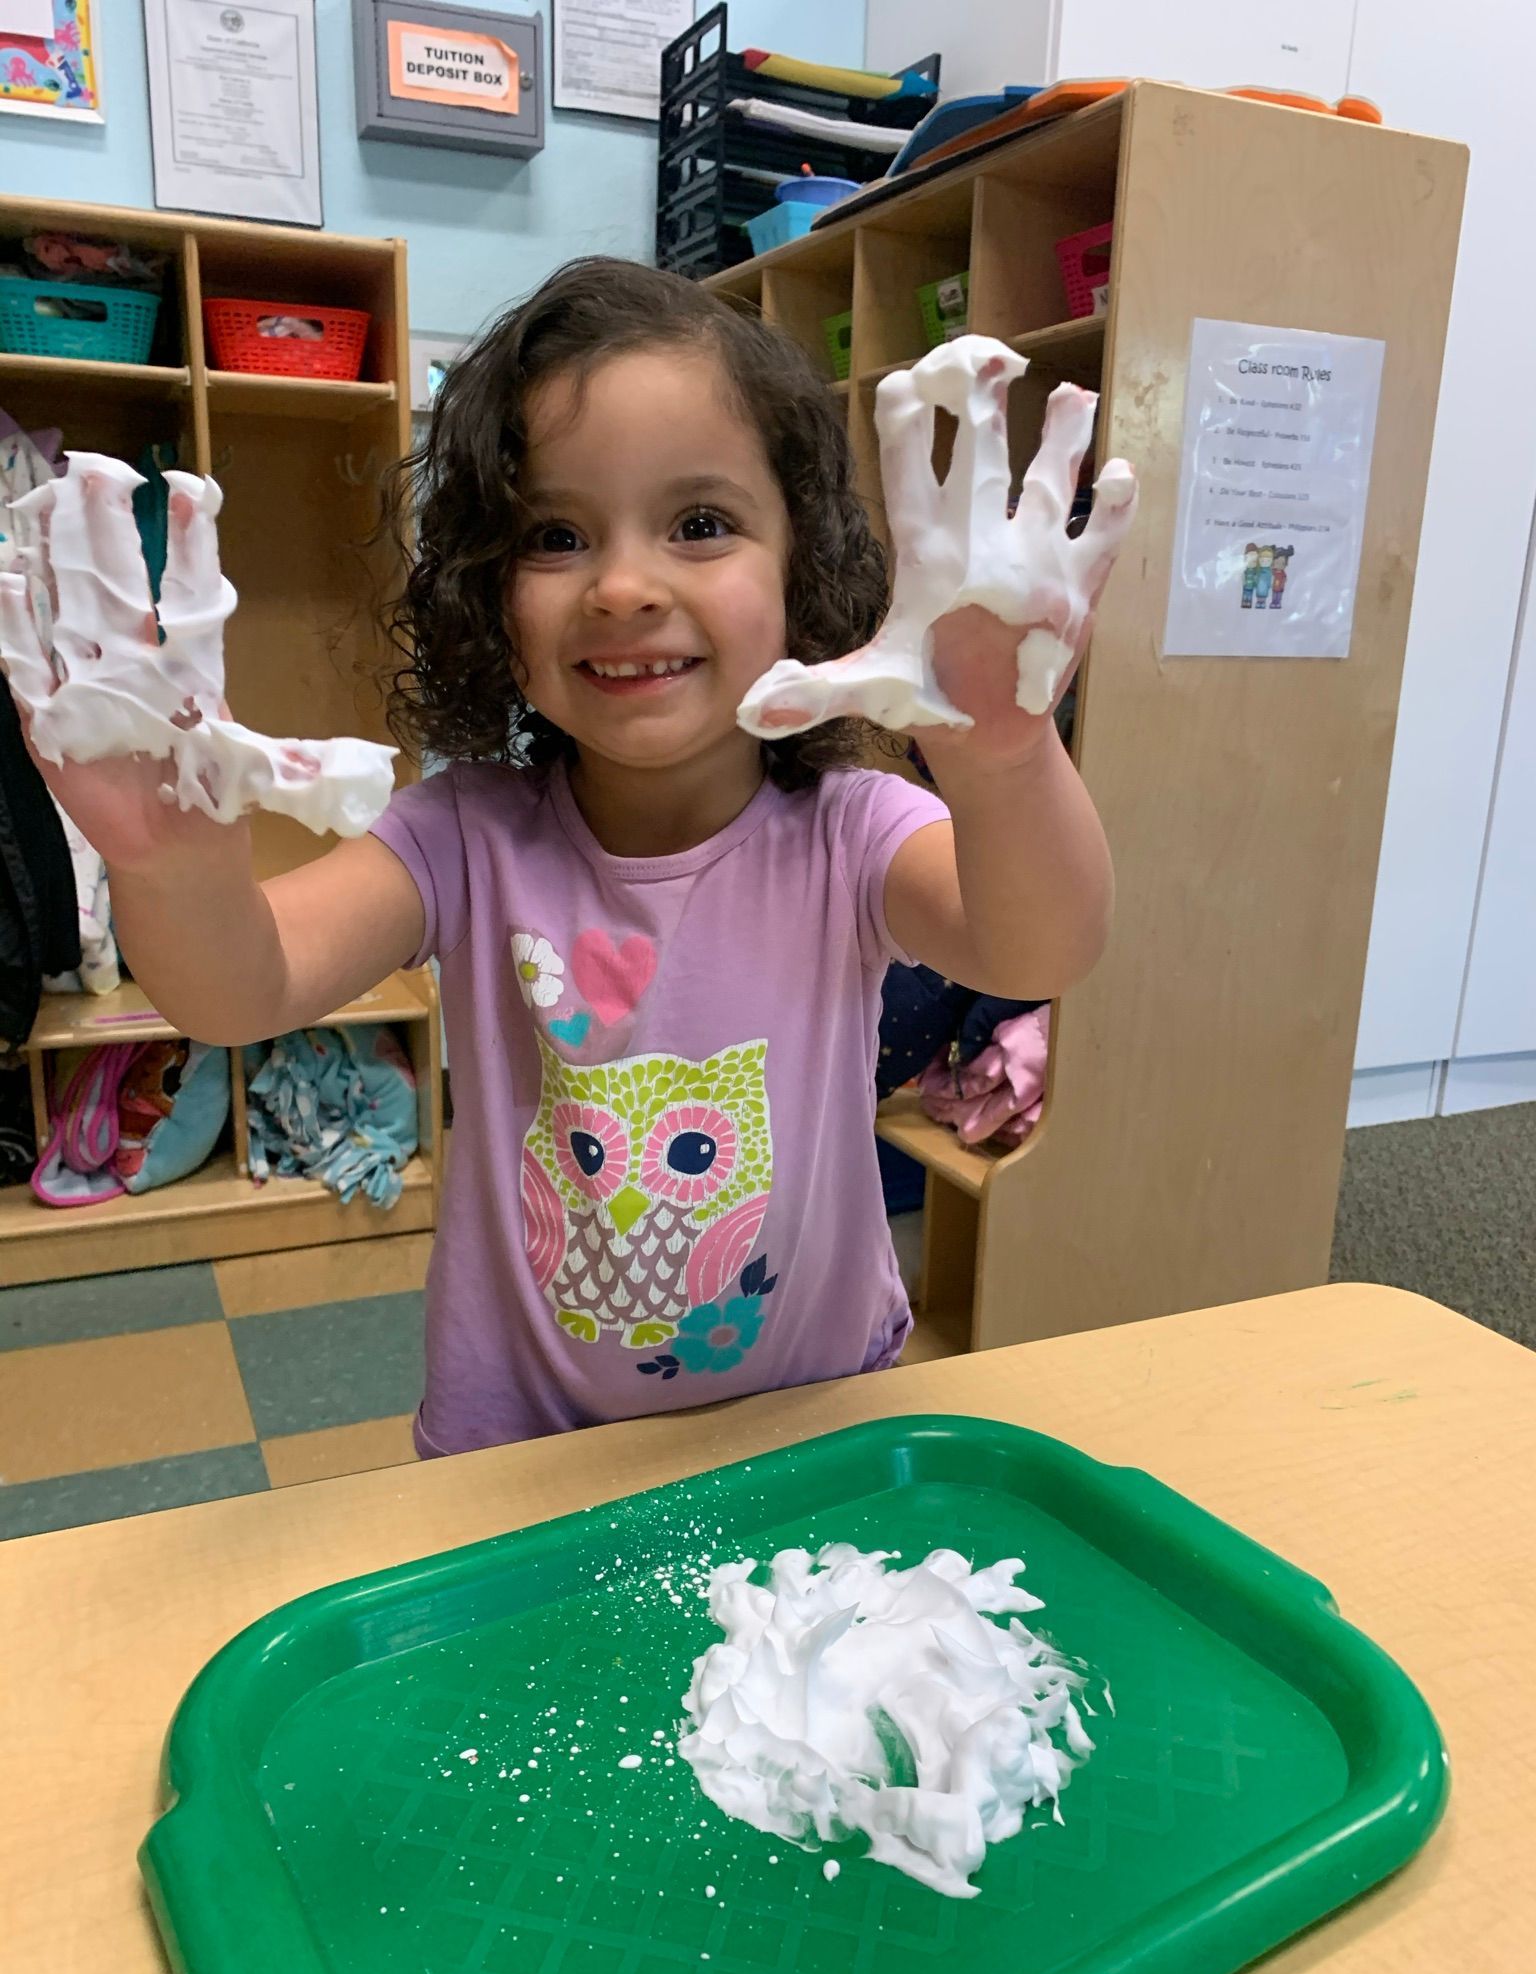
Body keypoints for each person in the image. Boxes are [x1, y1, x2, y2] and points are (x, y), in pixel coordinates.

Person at [18, 258, 1121, 1456]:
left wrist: (1006, 753)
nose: (624, 586)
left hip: (815, 1426)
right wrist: (170, 863)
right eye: (556, 535)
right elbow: (244, 987)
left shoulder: (850, 829)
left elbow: (1041, 940)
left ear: (799, 562)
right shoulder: (464, 835)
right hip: (526, 1451)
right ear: (491, 599)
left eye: (701, 524)